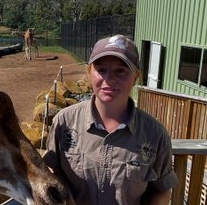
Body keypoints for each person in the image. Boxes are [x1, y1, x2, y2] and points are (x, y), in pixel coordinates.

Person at [43, 34, 178, 204]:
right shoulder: (64, 122)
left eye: (120, 71)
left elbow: (162, 189)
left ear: (136, 76)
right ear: (89, 72)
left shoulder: (155, 134)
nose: (109, 79)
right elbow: (50, 171)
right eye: (101, 70)